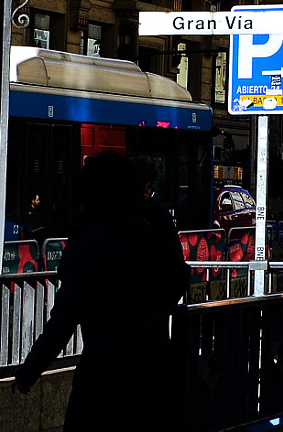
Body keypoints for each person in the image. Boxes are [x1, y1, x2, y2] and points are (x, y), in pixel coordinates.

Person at [15, 152, 191, 427]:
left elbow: (65, 316)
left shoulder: (88, 237)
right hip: (153, 366)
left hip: (104, 371)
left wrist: (29, 371)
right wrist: (155, 310)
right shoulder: (146, 228)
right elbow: (178, 277)